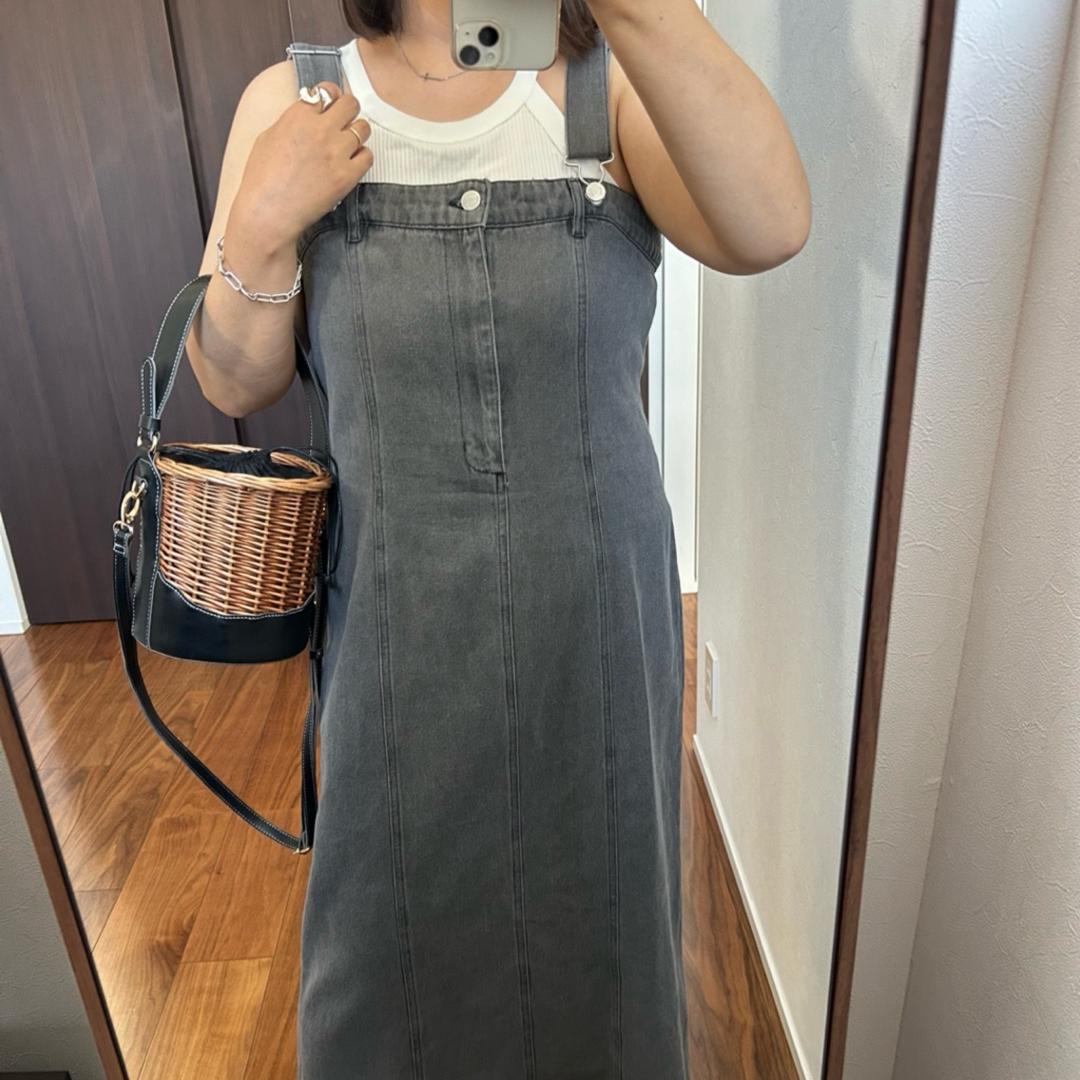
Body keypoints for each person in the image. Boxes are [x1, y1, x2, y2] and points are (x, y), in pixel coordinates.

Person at [187, 1, 810, 1076]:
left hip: (596, 623)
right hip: (393, 629)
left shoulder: (610, 84)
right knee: (384, 947)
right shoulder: (294, 99)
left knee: (600, 936)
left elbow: (767, 227)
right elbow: (234, 380)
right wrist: (259, 224)